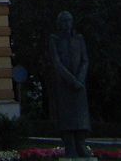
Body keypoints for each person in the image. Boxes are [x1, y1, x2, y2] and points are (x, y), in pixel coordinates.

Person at [49, 11, 90, 157]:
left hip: (79, 86)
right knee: (66, 117)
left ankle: (81, 144)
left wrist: (80, 78)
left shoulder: (79, 39)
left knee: (81, 117)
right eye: (64, 21)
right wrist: (71, 80)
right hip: (64, 85)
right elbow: (57, 62)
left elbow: (85, 60)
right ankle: (70, 146)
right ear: (59, 24)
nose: (67, 24)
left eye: (69, 21)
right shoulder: (55, 39)